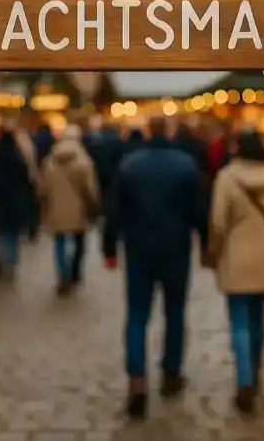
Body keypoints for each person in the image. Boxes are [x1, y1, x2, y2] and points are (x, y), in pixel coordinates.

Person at [102, 117, 208, 420]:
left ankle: (137, 380)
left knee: (136, 316)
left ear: (149, 133)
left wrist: (110, 249)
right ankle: (171, 373)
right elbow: (198, 211)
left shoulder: (130, 164)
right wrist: (206, 243)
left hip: (139, 250)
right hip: (176, 250)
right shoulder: (185, 164)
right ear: (170, 132)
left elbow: (114, 210)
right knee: (174, 312)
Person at [207, 130, 264, 415]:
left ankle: (244, 379)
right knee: (258, 315)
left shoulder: (227, 178)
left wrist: (215, 251)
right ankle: (256, 369)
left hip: (236, 256)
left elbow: (218, 223)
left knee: (238, 320)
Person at [39, 124, 99, 295]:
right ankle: (74, 272)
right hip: (78, 209)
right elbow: (90, 187)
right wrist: (93, 203)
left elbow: (43, 188)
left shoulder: (49, 160)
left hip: (56, 209)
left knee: (59, 243)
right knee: (79, 242)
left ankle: (62, 275)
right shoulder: (83, 160)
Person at [0, 126, 35, 280]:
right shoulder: (18, 159)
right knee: (14, 234)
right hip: (16, 202)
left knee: (3, 232)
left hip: (1, 202)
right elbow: (26, 181)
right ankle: (11, 261)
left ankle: (4, 257)